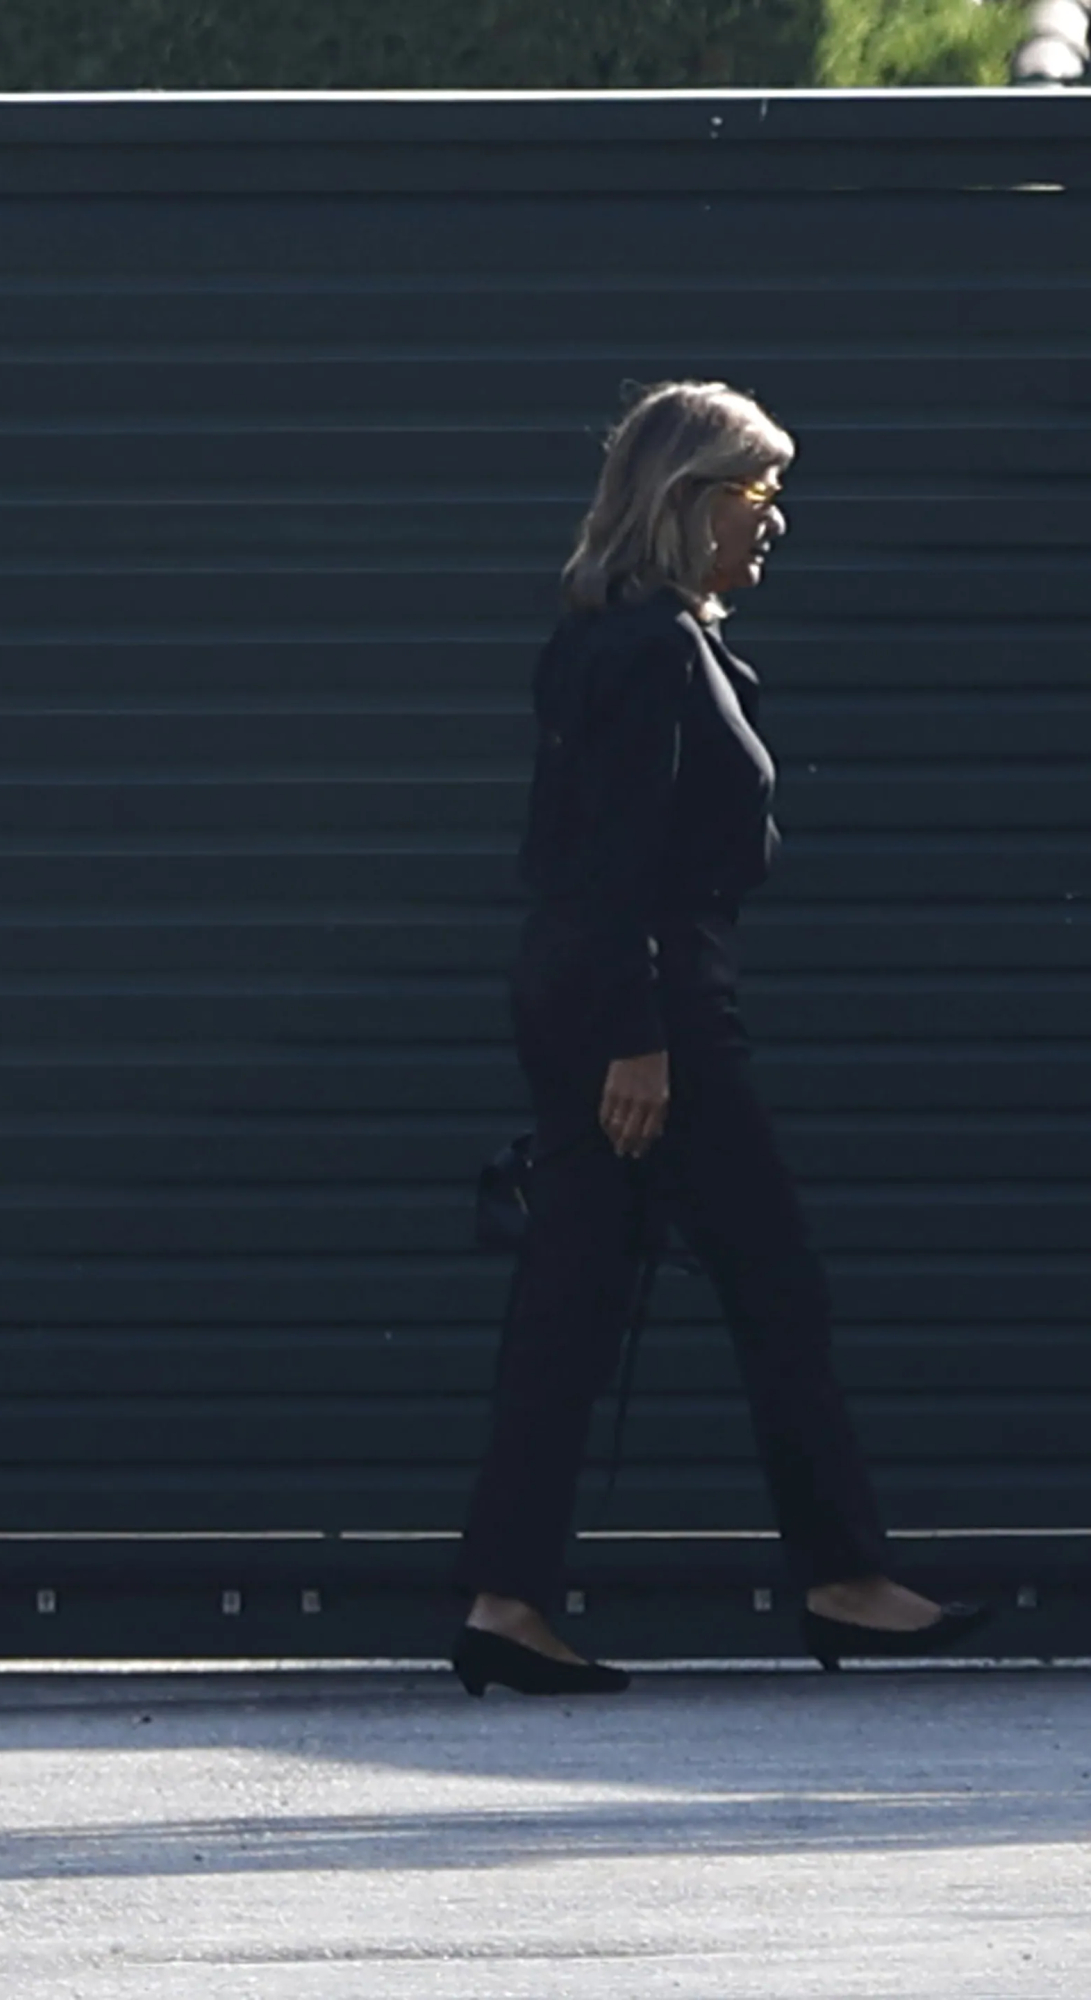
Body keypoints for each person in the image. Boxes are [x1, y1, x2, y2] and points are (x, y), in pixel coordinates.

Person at [451, 380, 991, 1698]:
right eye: (758, 496)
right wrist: (640, 1039)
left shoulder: (621, 636)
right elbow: (614, 859)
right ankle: (844, 1580)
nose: (777, 523)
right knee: (772, 1283)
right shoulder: (649, 650)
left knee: (575, 1303)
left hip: (608, 998)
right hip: (652, 1006)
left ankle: (508, 1599)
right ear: (687, 505)